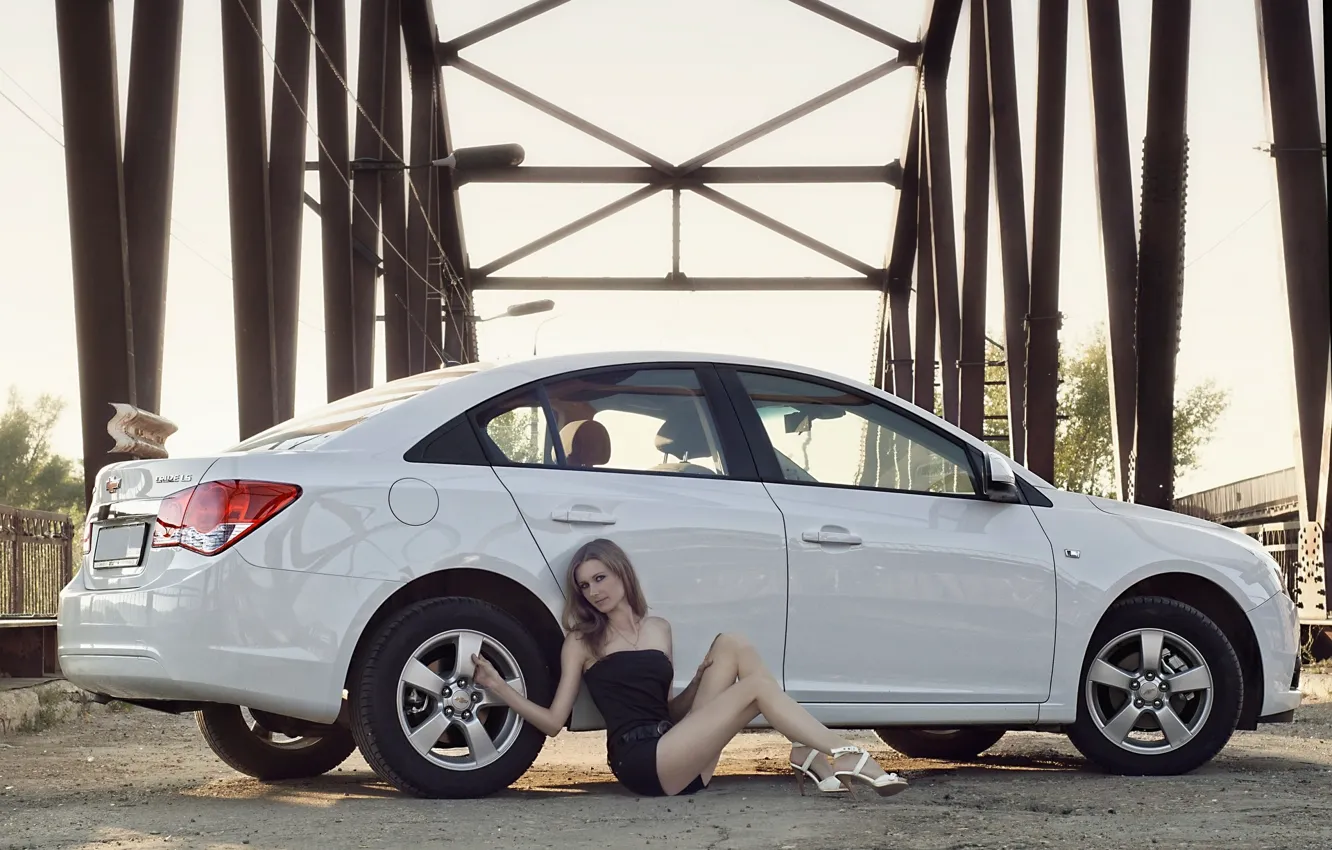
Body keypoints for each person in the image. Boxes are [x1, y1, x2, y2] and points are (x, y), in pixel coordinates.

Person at [470, 538, 909, 798]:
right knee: (754, 686)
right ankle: (842, 751)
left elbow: (670, 713)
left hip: (681, 753)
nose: (593, 592)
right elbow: (551, 723)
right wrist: (496, 684)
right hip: (642, 763)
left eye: (600, 578)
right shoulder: (582, 641)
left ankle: (808, 751)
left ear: (622, 574)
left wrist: (698, 683)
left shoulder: (659, 629)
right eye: (585, 586)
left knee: (732, 643)